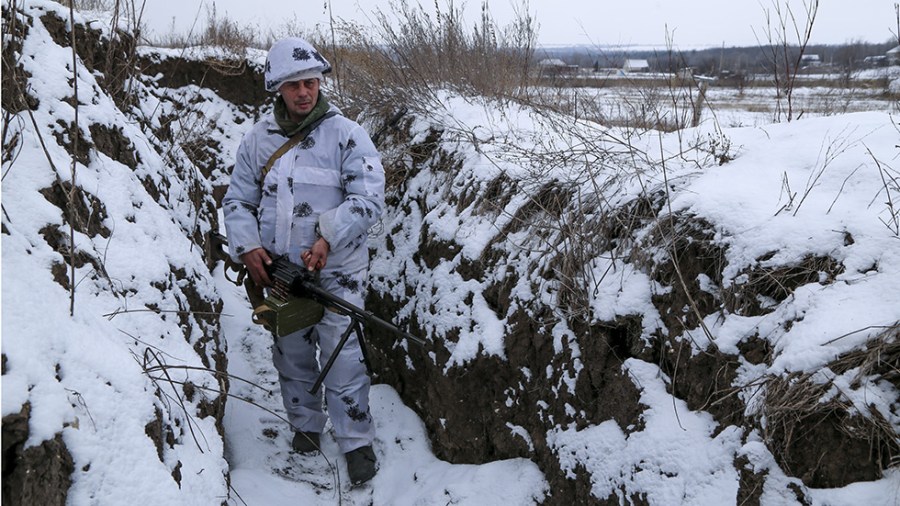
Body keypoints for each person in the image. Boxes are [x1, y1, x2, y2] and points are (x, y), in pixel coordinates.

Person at [222, 37, 385, 486]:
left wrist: (328, 238)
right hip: (280, 273)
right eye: (293, 85)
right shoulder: (258, 139)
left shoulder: (348, 135)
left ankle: (355, 442)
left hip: (338, 272)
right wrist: (249, 246)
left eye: (310, 82)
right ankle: (306, 428)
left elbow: (369, 200)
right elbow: (237, 200)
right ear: (277, 87)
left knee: (343, 356)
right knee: (291, 353)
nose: (303, 93)